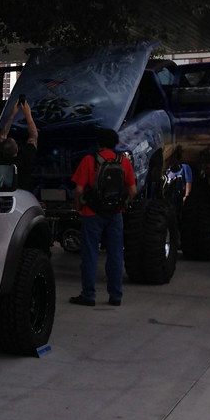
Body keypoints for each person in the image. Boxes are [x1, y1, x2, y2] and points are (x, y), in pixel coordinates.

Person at [68, 128, 137, 307]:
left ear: (98, 143)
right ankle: (115, 296)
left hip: (92, 213)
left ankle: (88, 295)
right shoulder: (124, 162)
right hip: (115, 214)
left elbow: (79, 190)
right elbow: (132, 190)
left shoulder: (89, 161)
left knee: (90, 255)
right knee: (115, 255)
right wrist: (121, 205)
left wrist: (79, 207)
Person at [0, 98, 39, 192]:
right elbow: (33, 135)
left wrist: (12, 114)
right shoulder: (25, 159)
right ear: (17, 149)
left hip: (2, 192)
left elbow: (2, 135)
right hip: (23, 194)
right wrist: (27, 114)